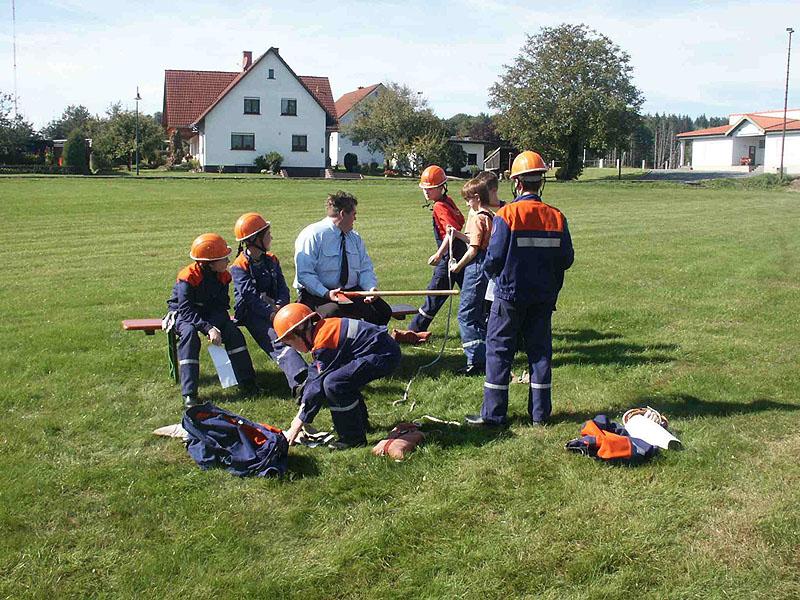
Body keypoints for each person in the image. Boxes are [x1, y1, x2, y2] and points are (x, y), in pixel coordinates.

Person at [465, 151, 574, 427]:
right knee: (539, 354)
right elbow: (566, 259)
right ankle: (540, 415)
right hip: (543, 297)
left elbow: (495, 257)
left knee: (499, 352)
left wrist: (492, 274)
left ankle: (494, 415)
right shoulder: (556, 217)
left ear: (517, 183)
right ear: (541, 182)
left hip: (509, 297)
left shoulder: (508, 214)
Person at [274, 303, 402, 450]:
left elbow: (317, 386)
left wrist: (297, 424)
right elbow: (314, 373)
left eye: (289, 343)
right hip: (381, 350)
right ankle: (360, 425)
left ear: (299, 332)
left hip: (384, 355)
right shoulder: (322, 331)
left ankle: (352, 439)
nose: (292, 348)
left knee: (334, 383)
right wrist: (304, 396)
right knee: (342, 380)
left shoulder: (324, 340)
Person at [167, 233, 258, 409]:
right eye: (224, 258)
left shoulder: (223, 276)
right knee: (189, 335)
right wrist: (209, 328)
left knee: (233, 333)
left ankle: (248, 382)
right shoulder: (188, 277)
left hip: (211, 314)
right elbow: (185, 310)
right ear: (209, 263)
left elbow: (222, 306)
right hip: (184, 314)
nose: (228, 261)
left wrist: (216, 325)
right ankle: (190, 394)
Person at [230, 212, 308, 396]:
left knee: (303, 328)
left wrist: (281, 305)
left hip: (276, 310)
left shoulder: (272, 259)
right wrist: (272, 314)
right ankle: (300, 379)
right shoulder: (239, 266)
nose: (271, 237)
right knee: (276, 338)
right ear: (255, 239)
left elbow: (282, 287)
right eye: (267, 234)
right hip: (252, 313)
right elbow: (250, 296)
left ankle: (320, 368)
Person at [294, 191, 393, 325]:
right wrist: (326, 293)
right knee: (335, 315)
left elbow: (365, 268)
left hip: (350, 293)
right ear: (342, 214)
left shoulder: (355, 238)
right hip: (318, 295)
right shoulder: (313, 235)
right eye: (354, 214)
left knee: (382, 311)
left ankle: (369, 343)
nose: (355, 219)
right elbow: (305, 275)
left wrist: (370, 289)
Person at [392, 165, 466, 344]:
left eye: (430, 189)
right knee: (471, 293)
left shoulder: (440, 206)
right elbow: (460, 220)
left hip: (451, 256)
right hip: (459, 253)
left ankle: (413, 331)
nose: (426, 192)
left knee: (434, 293)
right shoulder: (448, 201)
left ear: (441, 187)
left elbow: (451, 231)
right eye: (424, 189)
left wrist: (439, 254)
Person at [435, 177, 494, 375]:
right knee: (479, 314)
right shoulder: (489, 215)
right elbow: (474, 239)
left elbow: (473, 250)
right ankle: (486, 356)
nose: (466, 203)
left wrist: (457, 267)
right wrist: (457, 234)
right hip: (485, 266)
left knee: (467, 315)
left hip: (476, 268)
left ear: (477, 197)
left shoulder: (478, 217)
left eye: (468, 199)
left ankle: (475, 361)